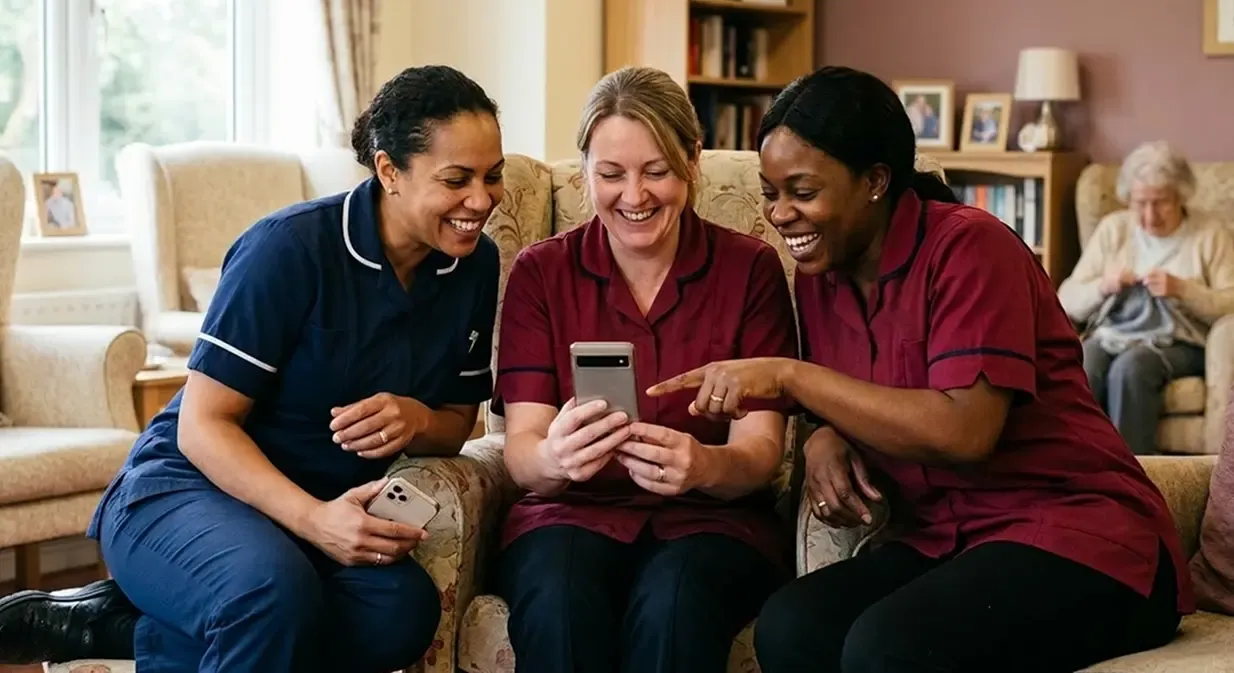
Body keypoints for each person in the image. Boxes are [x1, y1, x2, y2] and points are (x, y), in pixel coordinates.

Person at [647, 66, 1194, 673]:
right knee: (790, 626)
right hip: (945, 537)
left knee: (887, 647)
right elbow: (855, 396)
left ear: (875, 181)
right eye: (771, 192)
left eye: (802, 191)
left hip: (1080, 536)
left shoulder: (972, 247)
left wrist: (792, 377)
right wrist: (825, 434)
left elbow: (964, 431)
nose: (780, 214)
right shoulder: (820, 277)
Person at [0, 65, 504, 673]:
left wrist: (417, 418)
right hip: (186, 490)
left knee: (398, 611)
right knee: (270, 595)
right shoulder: (288, 248)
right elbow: (203, 427)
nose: (481, 200)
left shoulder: (474, 266)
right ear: (389, 171)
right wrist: (314, 522)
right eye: (457, 179)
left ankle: (112, 628)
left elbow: (456, 423)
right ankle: (201, 612)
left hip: (309, 514)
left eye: (492, 176)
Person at [493, 66, 797, 673]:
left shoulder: (750, 270)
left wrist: (705, 464)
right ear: (585, 173)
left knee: (674, 606)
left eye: (656, 171)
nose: (634, 197)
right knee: (558, 603)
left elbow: (761, 451)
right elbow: (521, 449)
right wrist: (554, 458)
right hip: (570, 515)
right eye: (611, 175)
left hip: (714, 521)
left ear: (691, 161)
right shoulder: (541, 273)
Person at [1059, 140, 1234, 455]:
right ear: (1128, 198)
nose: (1150, 215)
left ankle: (1131, 472)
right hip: (1114, 335)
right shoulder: (1114, 230)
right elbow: (1067, 298)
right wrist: (1104, 286)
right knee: (1084, 363)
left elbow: (1230, 302)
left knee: (1132, 368)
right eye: (1140, 203)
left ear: (1180, 195)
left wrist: (1184, 290)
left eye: (1161, 202)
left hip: (1182, 343)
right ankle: (1075, 466)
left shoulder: (1210, 234)